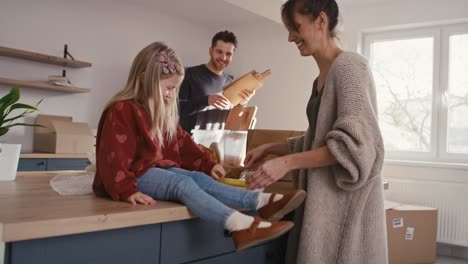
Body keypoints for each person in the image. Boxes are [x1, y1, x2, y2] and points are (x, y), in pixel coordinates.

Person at [93, 41, 306, 251]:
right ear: (144, 79)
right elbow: (113, 157)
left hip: (153, 171)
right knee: (182, 185)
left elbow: (181, 140)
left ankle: (262, 201)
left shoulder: (159, 111)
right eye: (168, 88)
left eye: (174, 89)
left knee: (198, 178)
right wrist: (125, 190)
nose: (170, 94)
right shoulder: (121, 109)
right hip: (130, 175)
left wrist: (207, 164)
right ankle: (240, 226)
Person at [244, 0, 388, 263]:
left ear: (321, 20)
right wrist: (270, 149)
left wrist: (285, 163)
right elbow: (317, 141)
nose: (290, 37)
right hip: (325, 203)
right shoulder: (321, 78)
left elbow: (353, 146)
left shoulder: (349, 66)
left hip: (344, 207)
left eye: (295, 27)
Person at [178, 30, 255, 133]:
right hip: (189, 144)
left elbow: (231, 119)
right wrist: (205, 100)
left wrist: (242, 103)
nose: (223, 58)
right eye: (219, 52)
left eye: (228, 54)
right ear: (210, 51)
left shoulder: (231, 82)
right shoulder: (189, 74)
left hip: (216, 146)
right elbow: (176, 109)